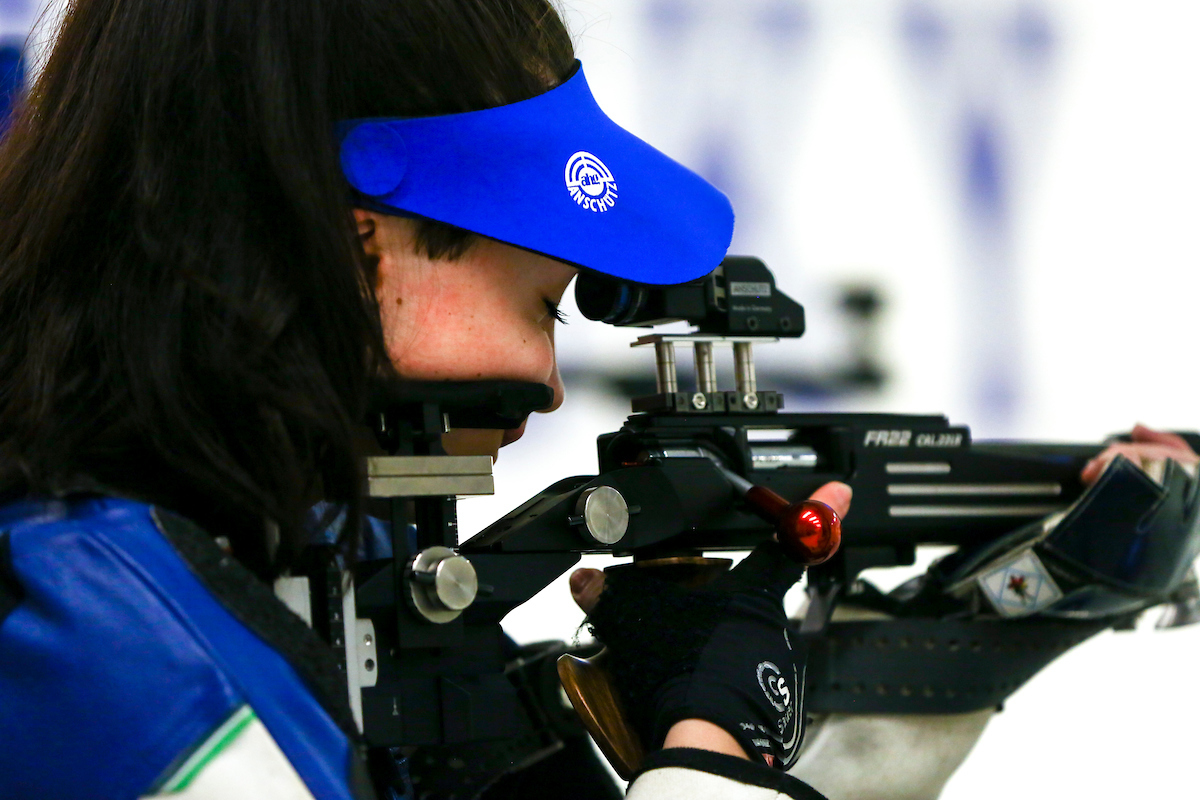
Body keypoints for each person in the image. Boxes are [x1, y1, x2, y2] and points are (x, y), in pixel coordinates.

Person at [0, 1, 848, 798]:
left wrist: (877, 707)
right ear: (357, 246)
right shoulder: (98, 643)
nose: (549, 386)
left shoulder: (300, 546)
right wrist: (711, 755)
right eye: (543, 304)